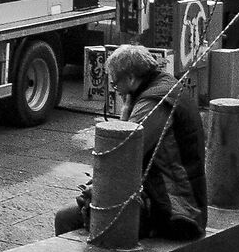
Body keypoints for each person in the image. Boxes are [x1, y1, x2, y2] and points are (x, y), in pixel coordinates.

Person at [54, 44, 208, 240]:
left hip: (176, 209)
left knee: (65, 217)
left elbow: (123, 153)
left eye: (116, 82)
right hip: (178, 198)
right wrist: (128, 102)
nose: (114, 87)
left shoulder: (152, 102)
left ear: (131, 78)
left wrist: (97, 187)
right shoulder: (164, 85)